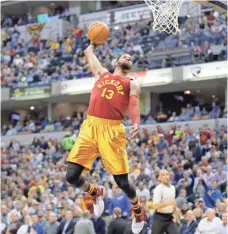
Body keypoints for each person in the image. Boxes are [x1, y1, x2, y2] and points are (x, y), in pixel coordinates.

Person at [66, 43, 144, 234]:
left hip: (113, 130)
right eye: (124, 56)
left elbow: (133, 104)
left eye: (130, 58)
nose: (127, 57)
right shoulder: (102, 73)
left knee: (123, 183)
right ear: (116, 61)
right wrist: (92, 44)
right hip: (91, 126)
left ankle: (138, 210)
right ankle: (95, 192)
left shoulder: (132, 83)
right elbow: (88, 53)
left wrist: (135, 122)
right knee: (71, 176)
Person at [151, 170, 180, 234]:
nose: (165, 176)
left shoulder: (173, 188)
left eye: (167, 174)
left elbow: (173, 203)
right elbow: (155, 205)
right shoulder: (158, 189)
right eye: (163, 175)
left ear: (169, 176)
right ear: (159, 178)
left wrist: (175, 215)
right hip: (159, 218)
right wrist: (167, 203)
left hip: (169, 217)